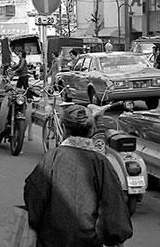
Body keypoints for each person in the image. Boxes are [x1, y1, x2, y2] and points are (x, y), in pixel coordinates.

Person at [24, 104, 133, 247]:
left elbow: (34, 198)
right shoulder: (101, 163)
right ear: (92, 130)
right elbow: (114, 209)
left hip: (52, 241)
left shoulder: (52, 158)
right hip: (90, 242)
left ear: (63, 129)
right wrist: (111, 238)